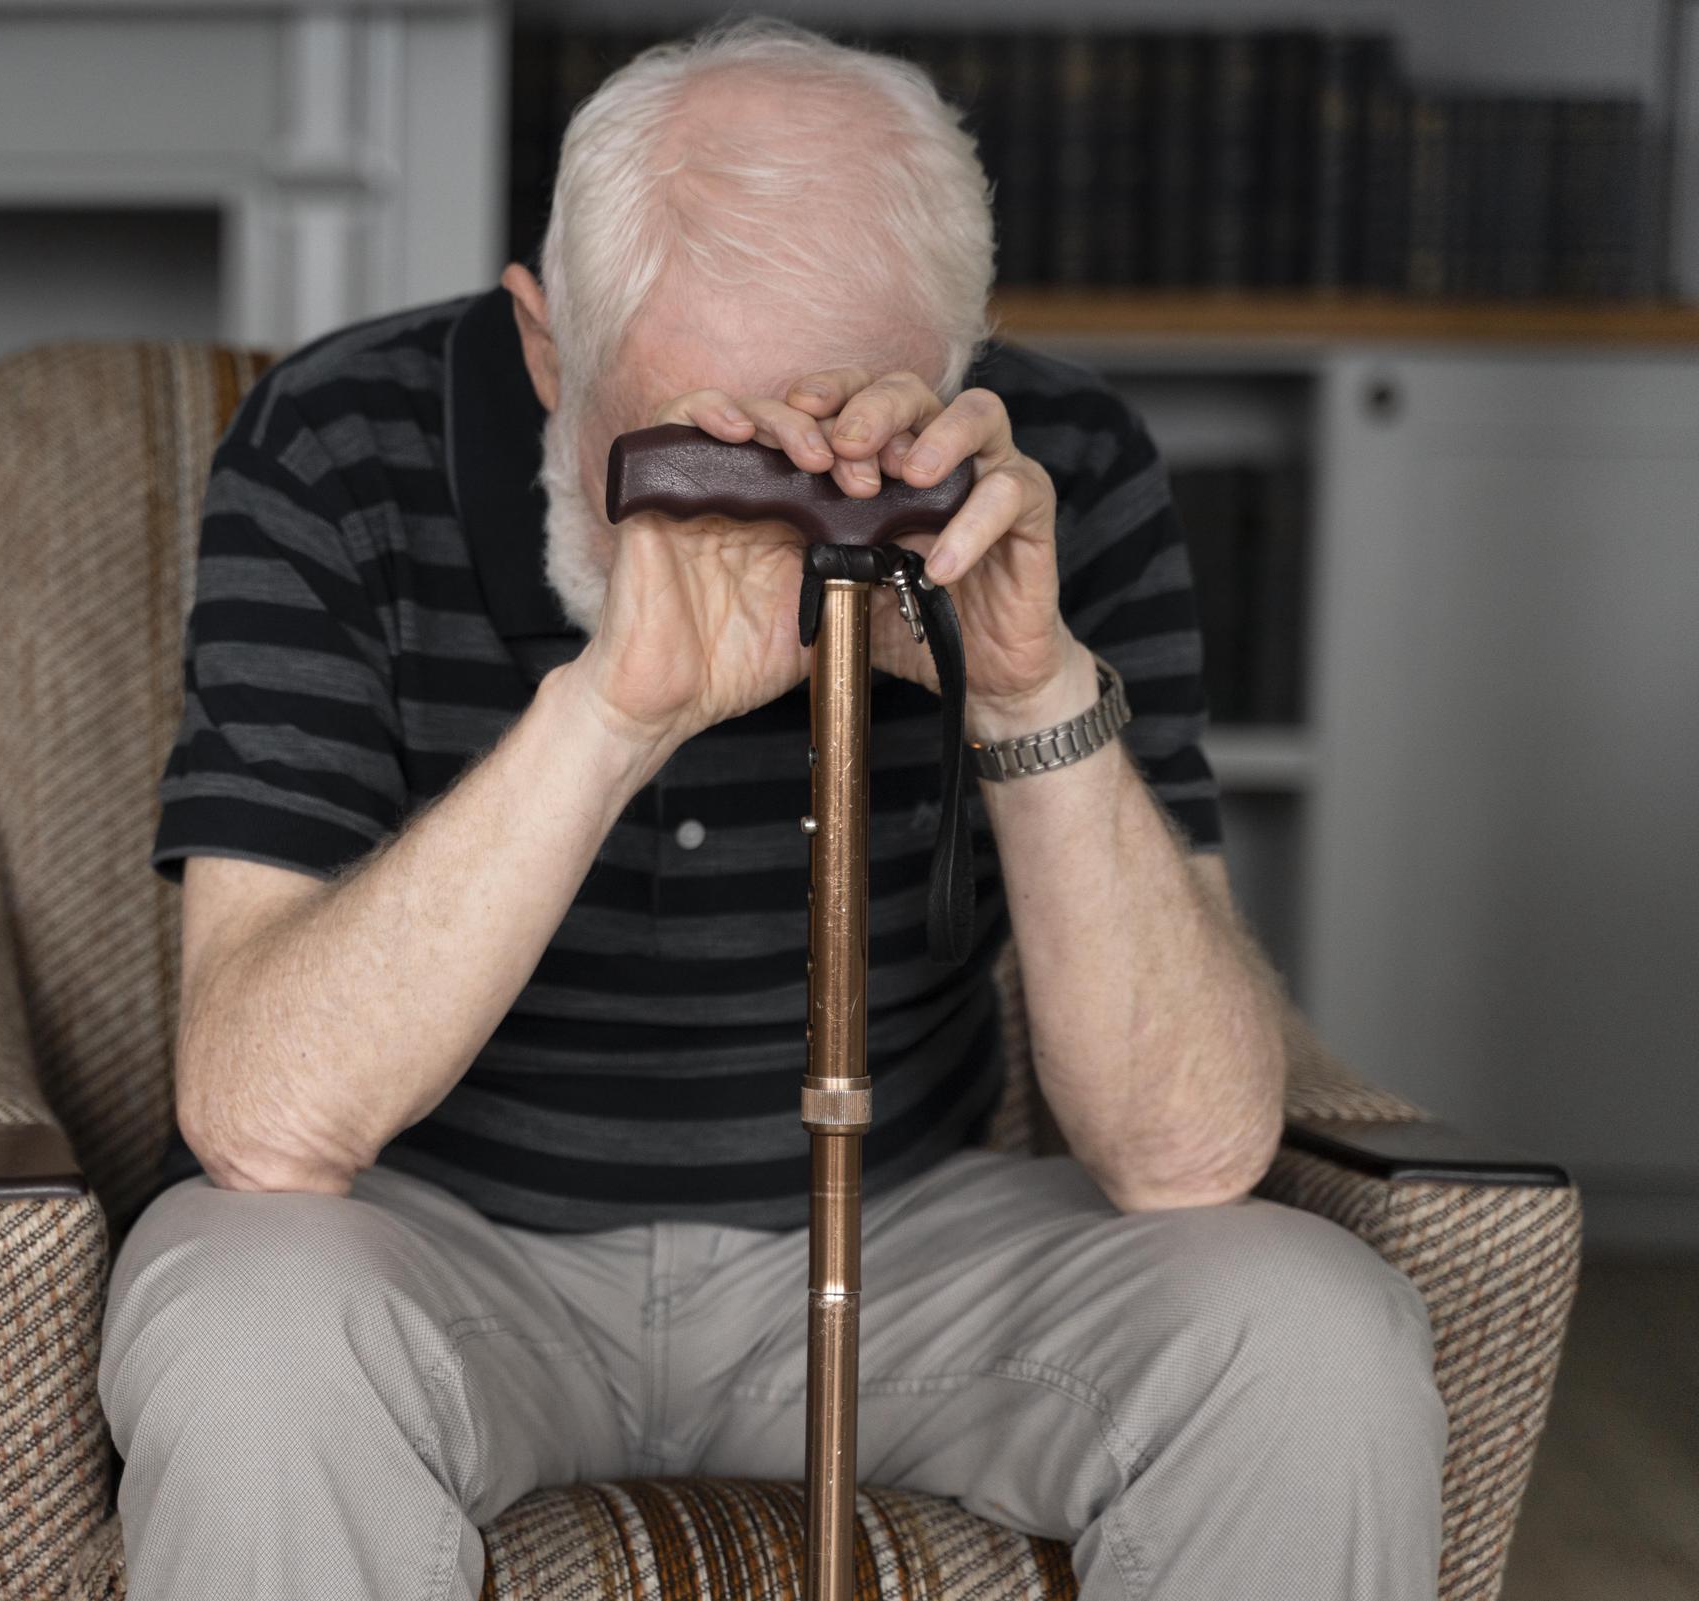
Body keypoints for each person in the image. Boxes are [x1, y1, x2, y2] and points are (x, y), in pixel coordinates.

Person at [98, 17, 1444, 1600]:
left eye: (838, 453)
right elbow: (260, 1117)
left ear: (956, 372)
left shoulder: (1052, 473)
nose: (775, 520)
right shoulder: (337, 448)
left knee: (1312, 1344)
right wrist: (612, 712)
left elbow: (1191, 1152)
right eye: (693, 449)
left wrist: (1026, 692)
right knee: (243, 1329)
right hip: (438, 1240)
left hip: (905, 1238)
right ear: (546, 350)